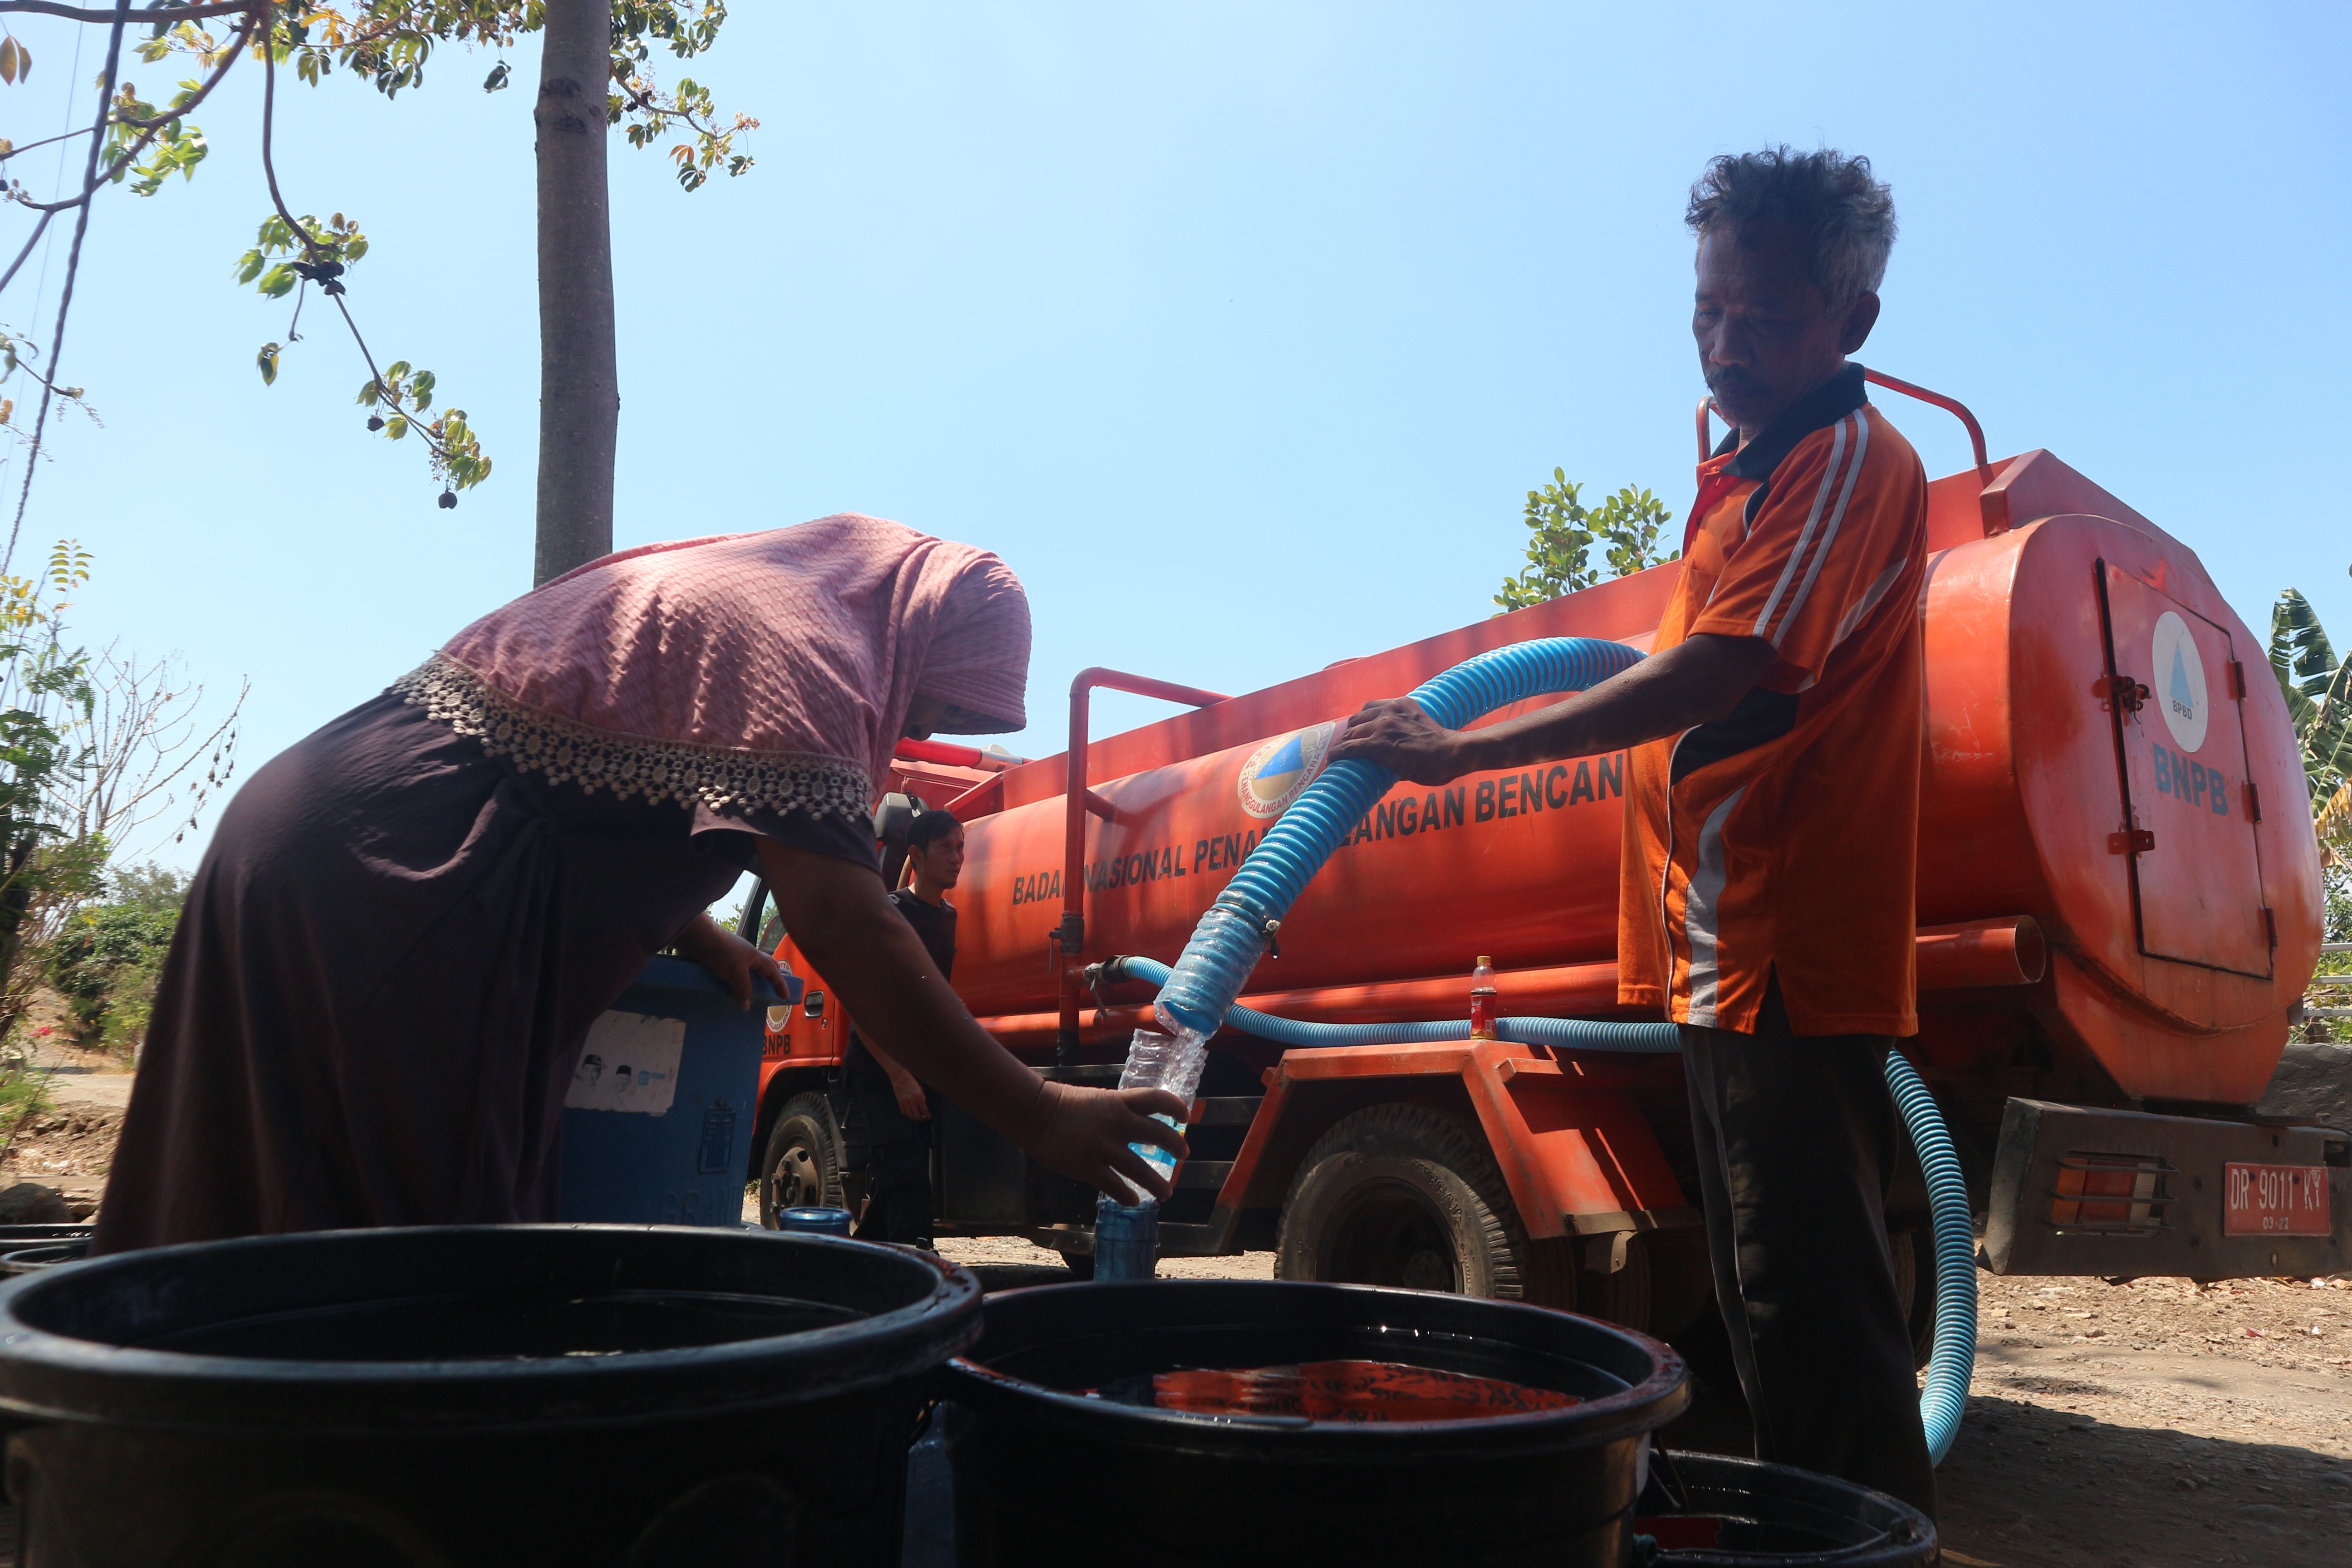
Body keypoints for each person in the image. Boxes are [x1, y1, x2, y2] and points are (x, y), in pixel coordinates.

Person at [1329, 147, 1936, 1514]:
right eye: (1706, 313)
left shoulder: (1845, 456)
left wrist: (1455, 749)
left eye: (1764, 319)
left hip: (1785, 950)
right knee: (1772, 1305)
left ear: (1854, 322)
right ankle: (1819, 1532)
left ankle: (1851, 1542)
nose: (1725, 345)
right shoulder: (1753, 472)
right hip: (1730, 958)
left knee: (1813, 1321)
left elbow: (1720, 672)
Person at [94, 515, 1186, 1253]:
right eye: (933, 705)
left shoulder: (760, 593)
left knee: (245, 1218)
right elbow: (848, 923)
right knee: (382, 1273)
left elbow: (614, 775)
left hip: (321, 834)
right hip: (401, 887)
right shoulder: (805, 646)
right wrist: (1038, 1111)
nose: (913, 729)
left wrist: (699, 930)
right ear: (922, 631)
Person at [844, 808, 965, 1247]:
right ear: (916, 855)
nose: (957, 857)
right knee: (908, 1180)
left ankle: (862, 1260)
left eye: (960, 848)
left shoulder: (948, 916)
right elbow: (860, 1001)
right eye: (945, 848)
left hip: (921, 1067)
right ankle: (917, 1281)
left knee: (901, 1180)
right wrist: (898, 1076)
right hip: (881, 1069)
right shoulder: (890, 913)